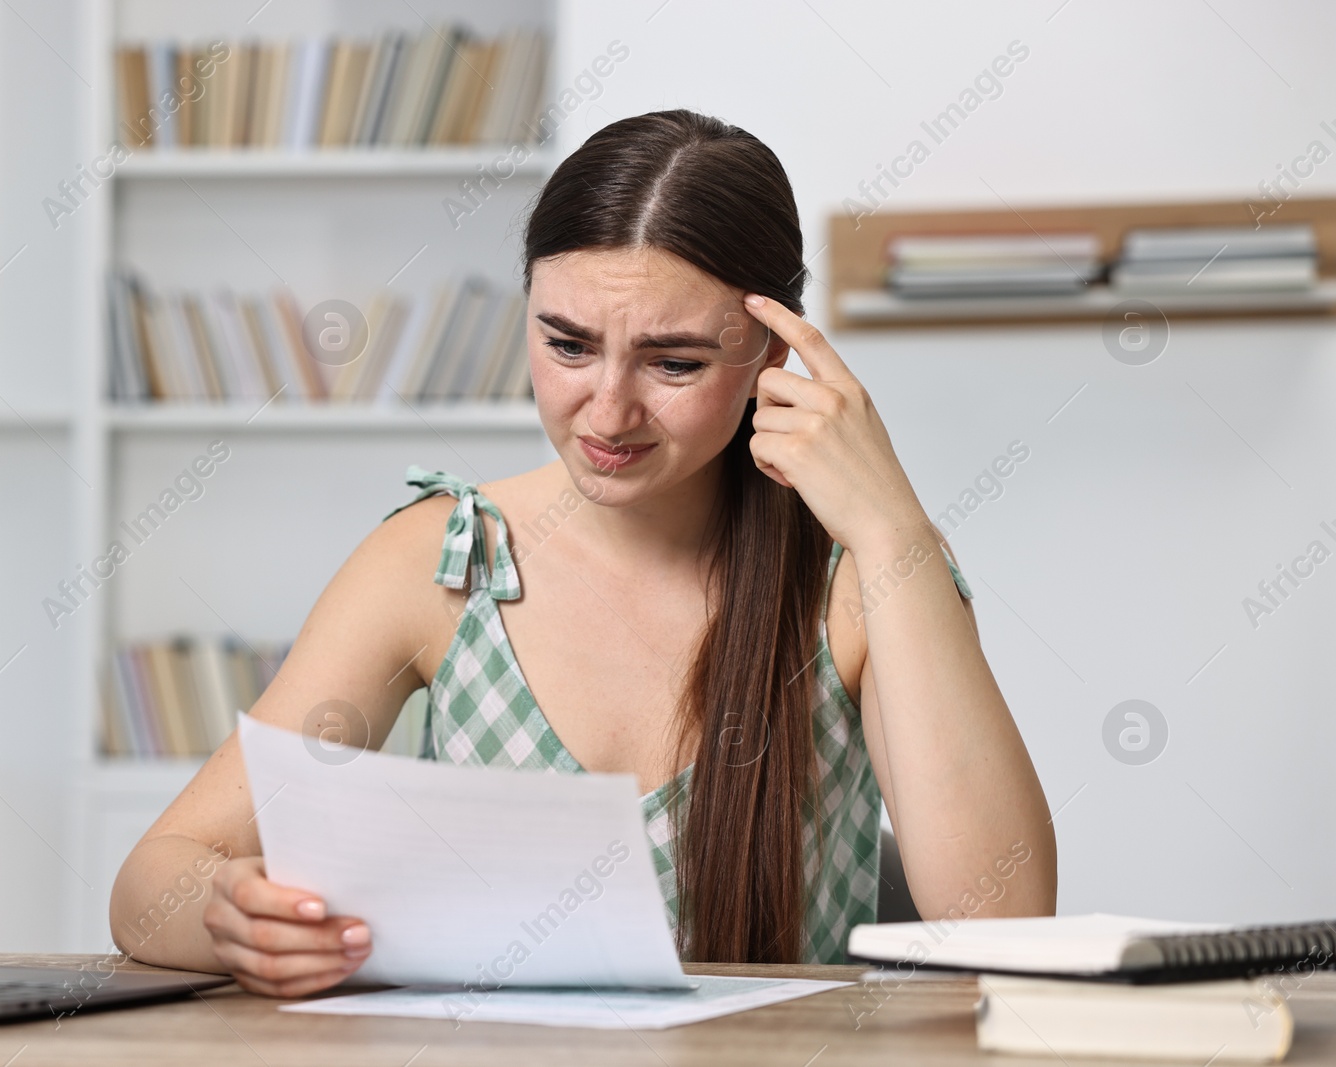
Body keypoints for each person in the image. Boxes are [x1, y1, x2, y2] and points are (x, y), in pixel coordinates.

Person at [109, 108, 1057, 998]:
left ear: (773, 358)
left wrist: (891, 525)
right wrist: (227, 914)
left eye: (674, 362)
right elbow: (152, 879)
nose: (607, 412)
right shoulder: (443, 560)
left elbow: (1006, 919)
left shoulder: (860, 582)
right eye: (567, 344)